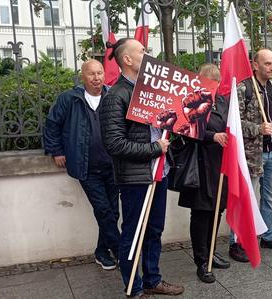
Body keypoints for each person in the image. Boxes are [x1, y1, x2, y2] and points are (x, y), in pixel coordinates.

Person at [99, 38, 183, 298]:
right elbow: (115, 144)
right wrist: (155, 149)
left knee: (154, 230)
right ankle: (134, 288)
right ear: (127, 60)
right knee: (134, 233)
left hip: (160, 173)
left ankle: (152, 279)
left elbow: (163, 129)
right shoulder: (116, 96)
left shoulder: (152, 90)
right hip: (136, 178)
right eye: (143, 51)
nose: (147, 55)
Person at [43, 59, 121, 271]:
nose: (96, 78)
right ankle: (121, 251)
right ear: (82, 76)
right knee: (103, 210)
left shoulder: (112, 95)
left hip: (113, 165)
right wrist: (56, 150)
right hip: (86, 166)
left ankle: (101, 251)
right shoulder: (70, 99)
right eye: (91, 74)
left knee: (114, 212)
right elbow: (52, 125)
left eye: (100, 73)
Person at [229, 48, 272, 261]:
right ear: (255, 65)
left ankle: (267, 235)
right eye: (267, 63)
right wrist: (258, 128)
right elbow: (234, 123)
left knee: (270, 198)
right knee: (245, 199)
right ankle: (237, 242)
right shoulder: (243, 88)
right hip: (251, 155)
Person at [176, 63, 231, 283]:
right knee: (201, 212)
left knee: (216, 210)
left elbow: (230, 125)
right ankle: (201, 261)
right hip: (199, 164)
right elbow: (186, 128)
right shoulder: (191, 102)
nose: (209, 86)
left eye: (213, 82)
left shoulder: (224, 102)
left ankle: (210, 252)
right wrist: (212, 136)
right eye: (205, 82)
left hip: (221, 164)